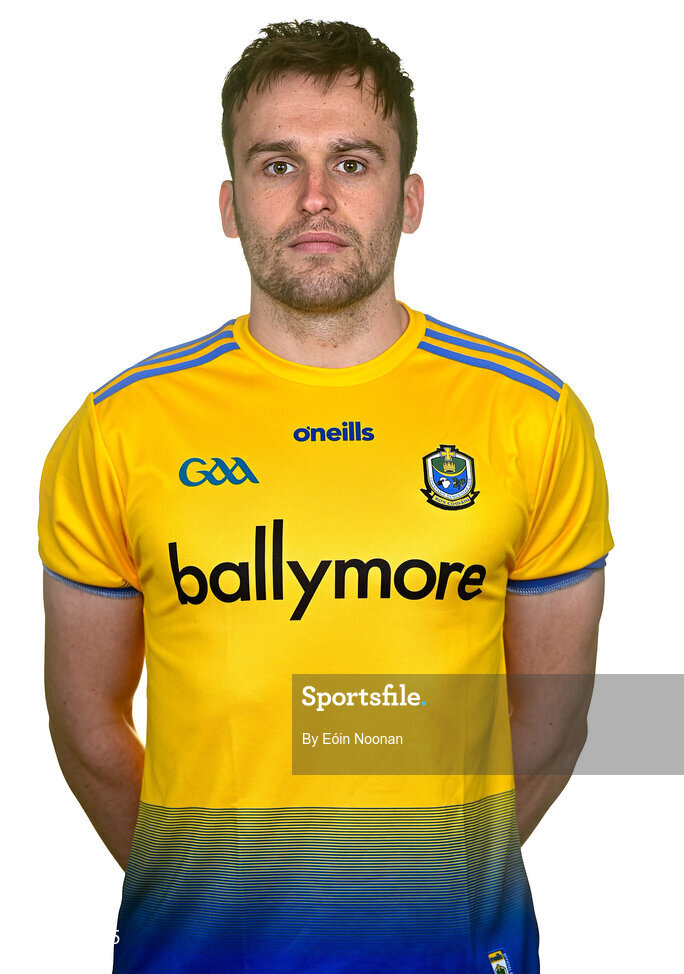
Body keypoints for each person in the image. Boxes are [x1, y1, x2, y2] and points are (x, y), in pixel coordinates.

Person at [39, 19, 613, 974]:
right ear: (229, 205)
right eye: (276, 166)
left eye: (352, 161)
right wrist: (198, 882)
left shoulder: (533, 417)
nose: (314, 197)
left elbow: (553, 720)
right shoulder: (117, 429)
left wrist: (423, 886)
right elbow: (86, 722)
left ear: (410, 196)